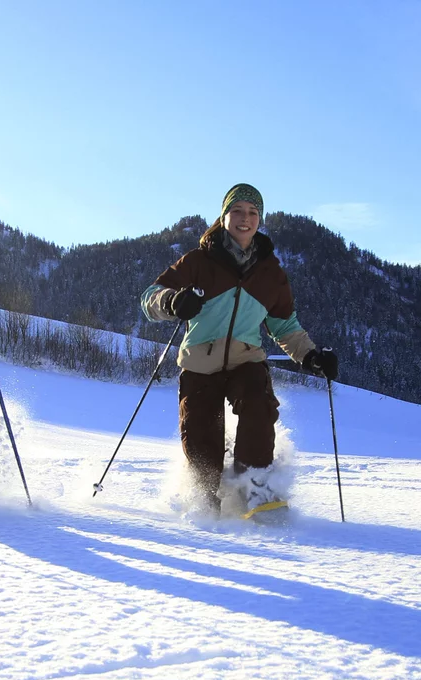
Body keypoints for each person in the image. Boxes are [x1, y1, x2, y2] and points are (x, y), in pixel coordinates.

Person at [141, 183, 338, 515]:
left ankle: (256, 484)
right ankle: (204, 497)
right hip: (200, 362)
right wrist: (172, 301)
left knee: (259, 403)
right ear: (224, 216)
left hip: (246, 357)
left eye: (252, 212)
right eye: (237, 211)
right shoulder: (198, 262)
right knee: (200, 431)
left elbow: (284, 326)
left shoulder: (270, 274)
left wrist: (311, 355)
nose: (245, 219)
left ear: (259, 220)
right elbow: (150, 298)